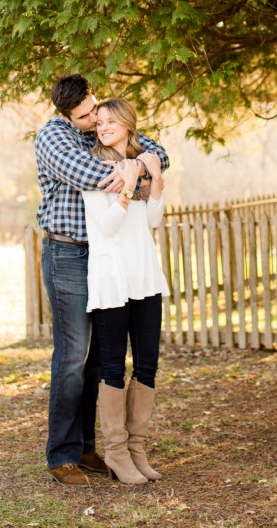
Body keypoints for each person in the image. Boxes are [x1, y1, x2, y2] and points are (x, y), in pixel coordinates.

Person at [35, 74, 169, 487]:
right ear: (65, 115)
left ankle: (90, 447)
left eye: (95, 108)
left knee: (100, 358)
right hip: (68, 251)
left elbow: (156, 151)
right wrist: (132, 170)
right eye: (85, 116)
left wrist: (144, 164)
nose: (95, 119)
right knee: (73, 355)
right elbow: (99, 175)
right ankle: (62, 455)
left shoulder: (102, 123)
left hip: (102, 255)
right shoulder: (52, 139)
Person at [82, 98, 169, 485]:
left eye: (110, 121)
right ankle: (116, 453)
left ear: (128, 124)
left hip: (144, 275)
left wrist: (155, 181)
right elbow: (107, 227)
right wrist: (128, 187)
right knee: (114, 366)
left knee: (147, 363)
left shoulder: (143, 163)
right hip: (112, 277)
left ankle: (137, 449)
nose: (103, 127)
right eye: (98, 122)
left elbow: (152, 218)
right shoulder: (95, 167)